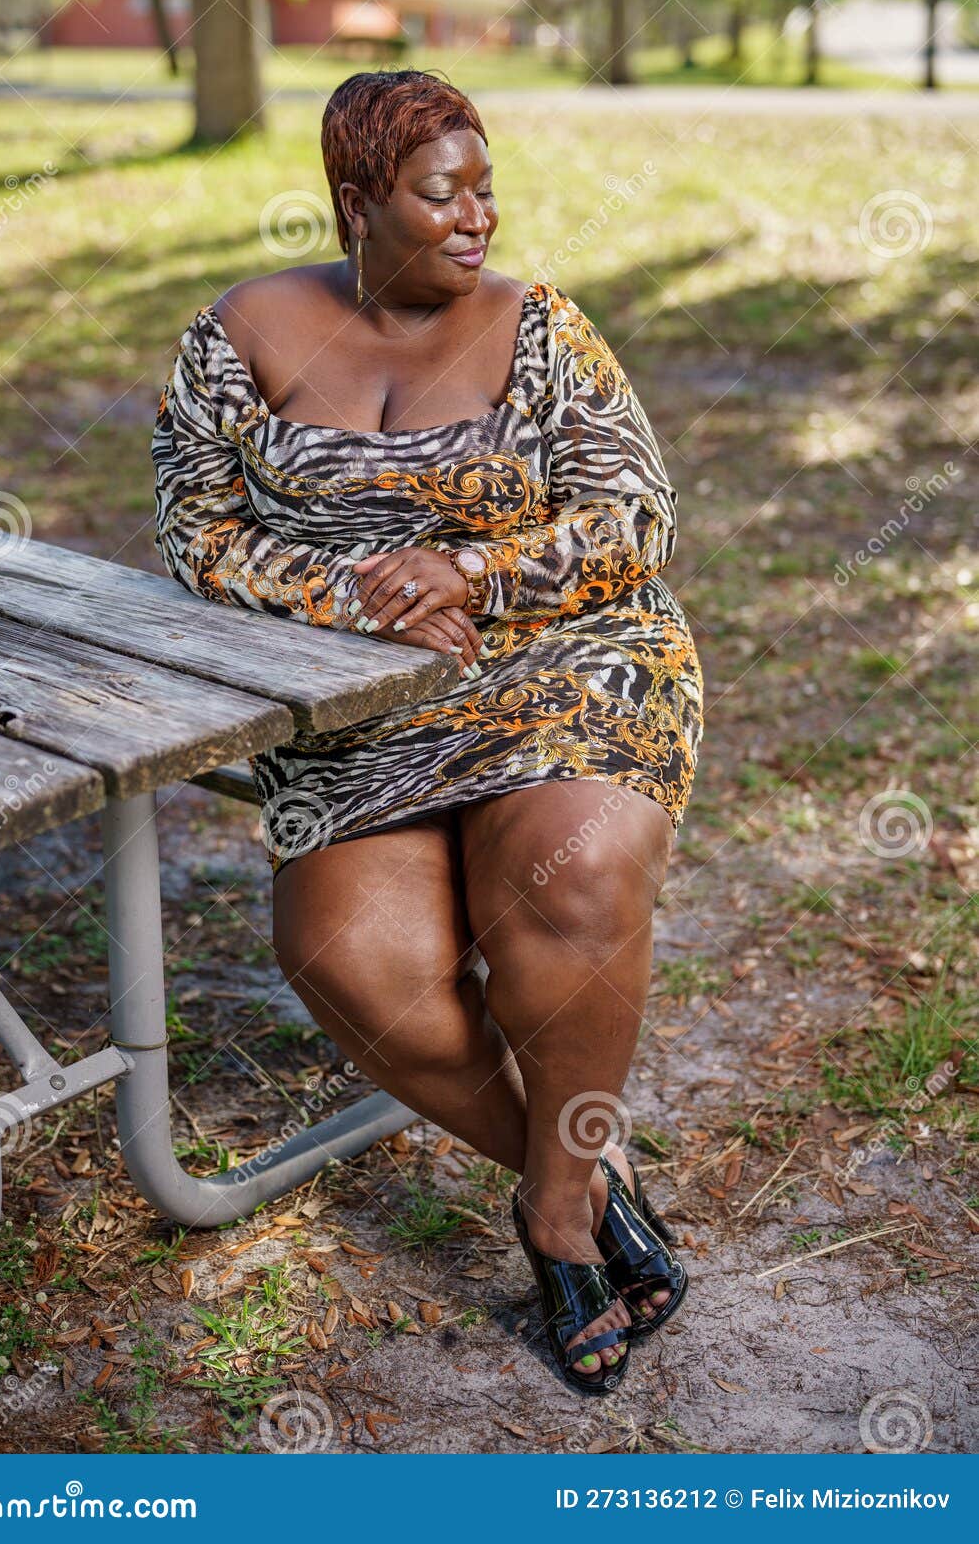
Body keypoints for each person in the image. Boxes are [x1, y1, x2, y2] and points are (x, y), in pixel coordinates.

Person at [153, 69, 704, 1396]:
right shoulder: (241, 334)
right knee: (355, 964)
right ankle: (578, 1159)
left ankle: (558, 1216)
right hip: (355, 703)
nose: (477, 216)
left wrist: (470, 573)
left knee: (564, 879)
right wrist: (348, 592)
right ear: (356, 201)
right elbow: (193, 528)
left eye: (485, 185)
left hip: (564, 661)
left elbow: (633, 517)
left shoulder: (543, 329)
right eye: (439, 192)